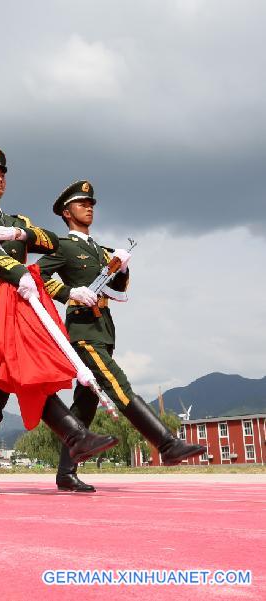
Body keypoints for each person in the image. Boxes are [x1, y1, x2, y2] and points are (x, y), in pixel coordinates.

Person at [0, 147, 117, 494]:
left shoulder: (17, 222)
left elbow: (52, 241)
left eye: (2, 173)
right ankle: (74, 434)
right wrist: (15, 269)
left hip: (21, 308)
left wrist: (18, 235)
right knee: (20, 367)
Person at [38, 180, 206, 491]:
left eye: (91, 204)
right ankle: (166, 444)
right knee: (117, 384)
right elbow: (39, 275)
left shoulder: (100, 250)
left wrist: (122, 269)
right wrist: (69, 292)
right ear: (66, 212)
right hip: (82, 330)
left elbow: (117, 289)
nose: (89, 207)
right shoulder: (63, 246)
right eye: (81, 204)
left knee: (84, 404)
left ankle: (66, 472)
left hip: (103, 329)